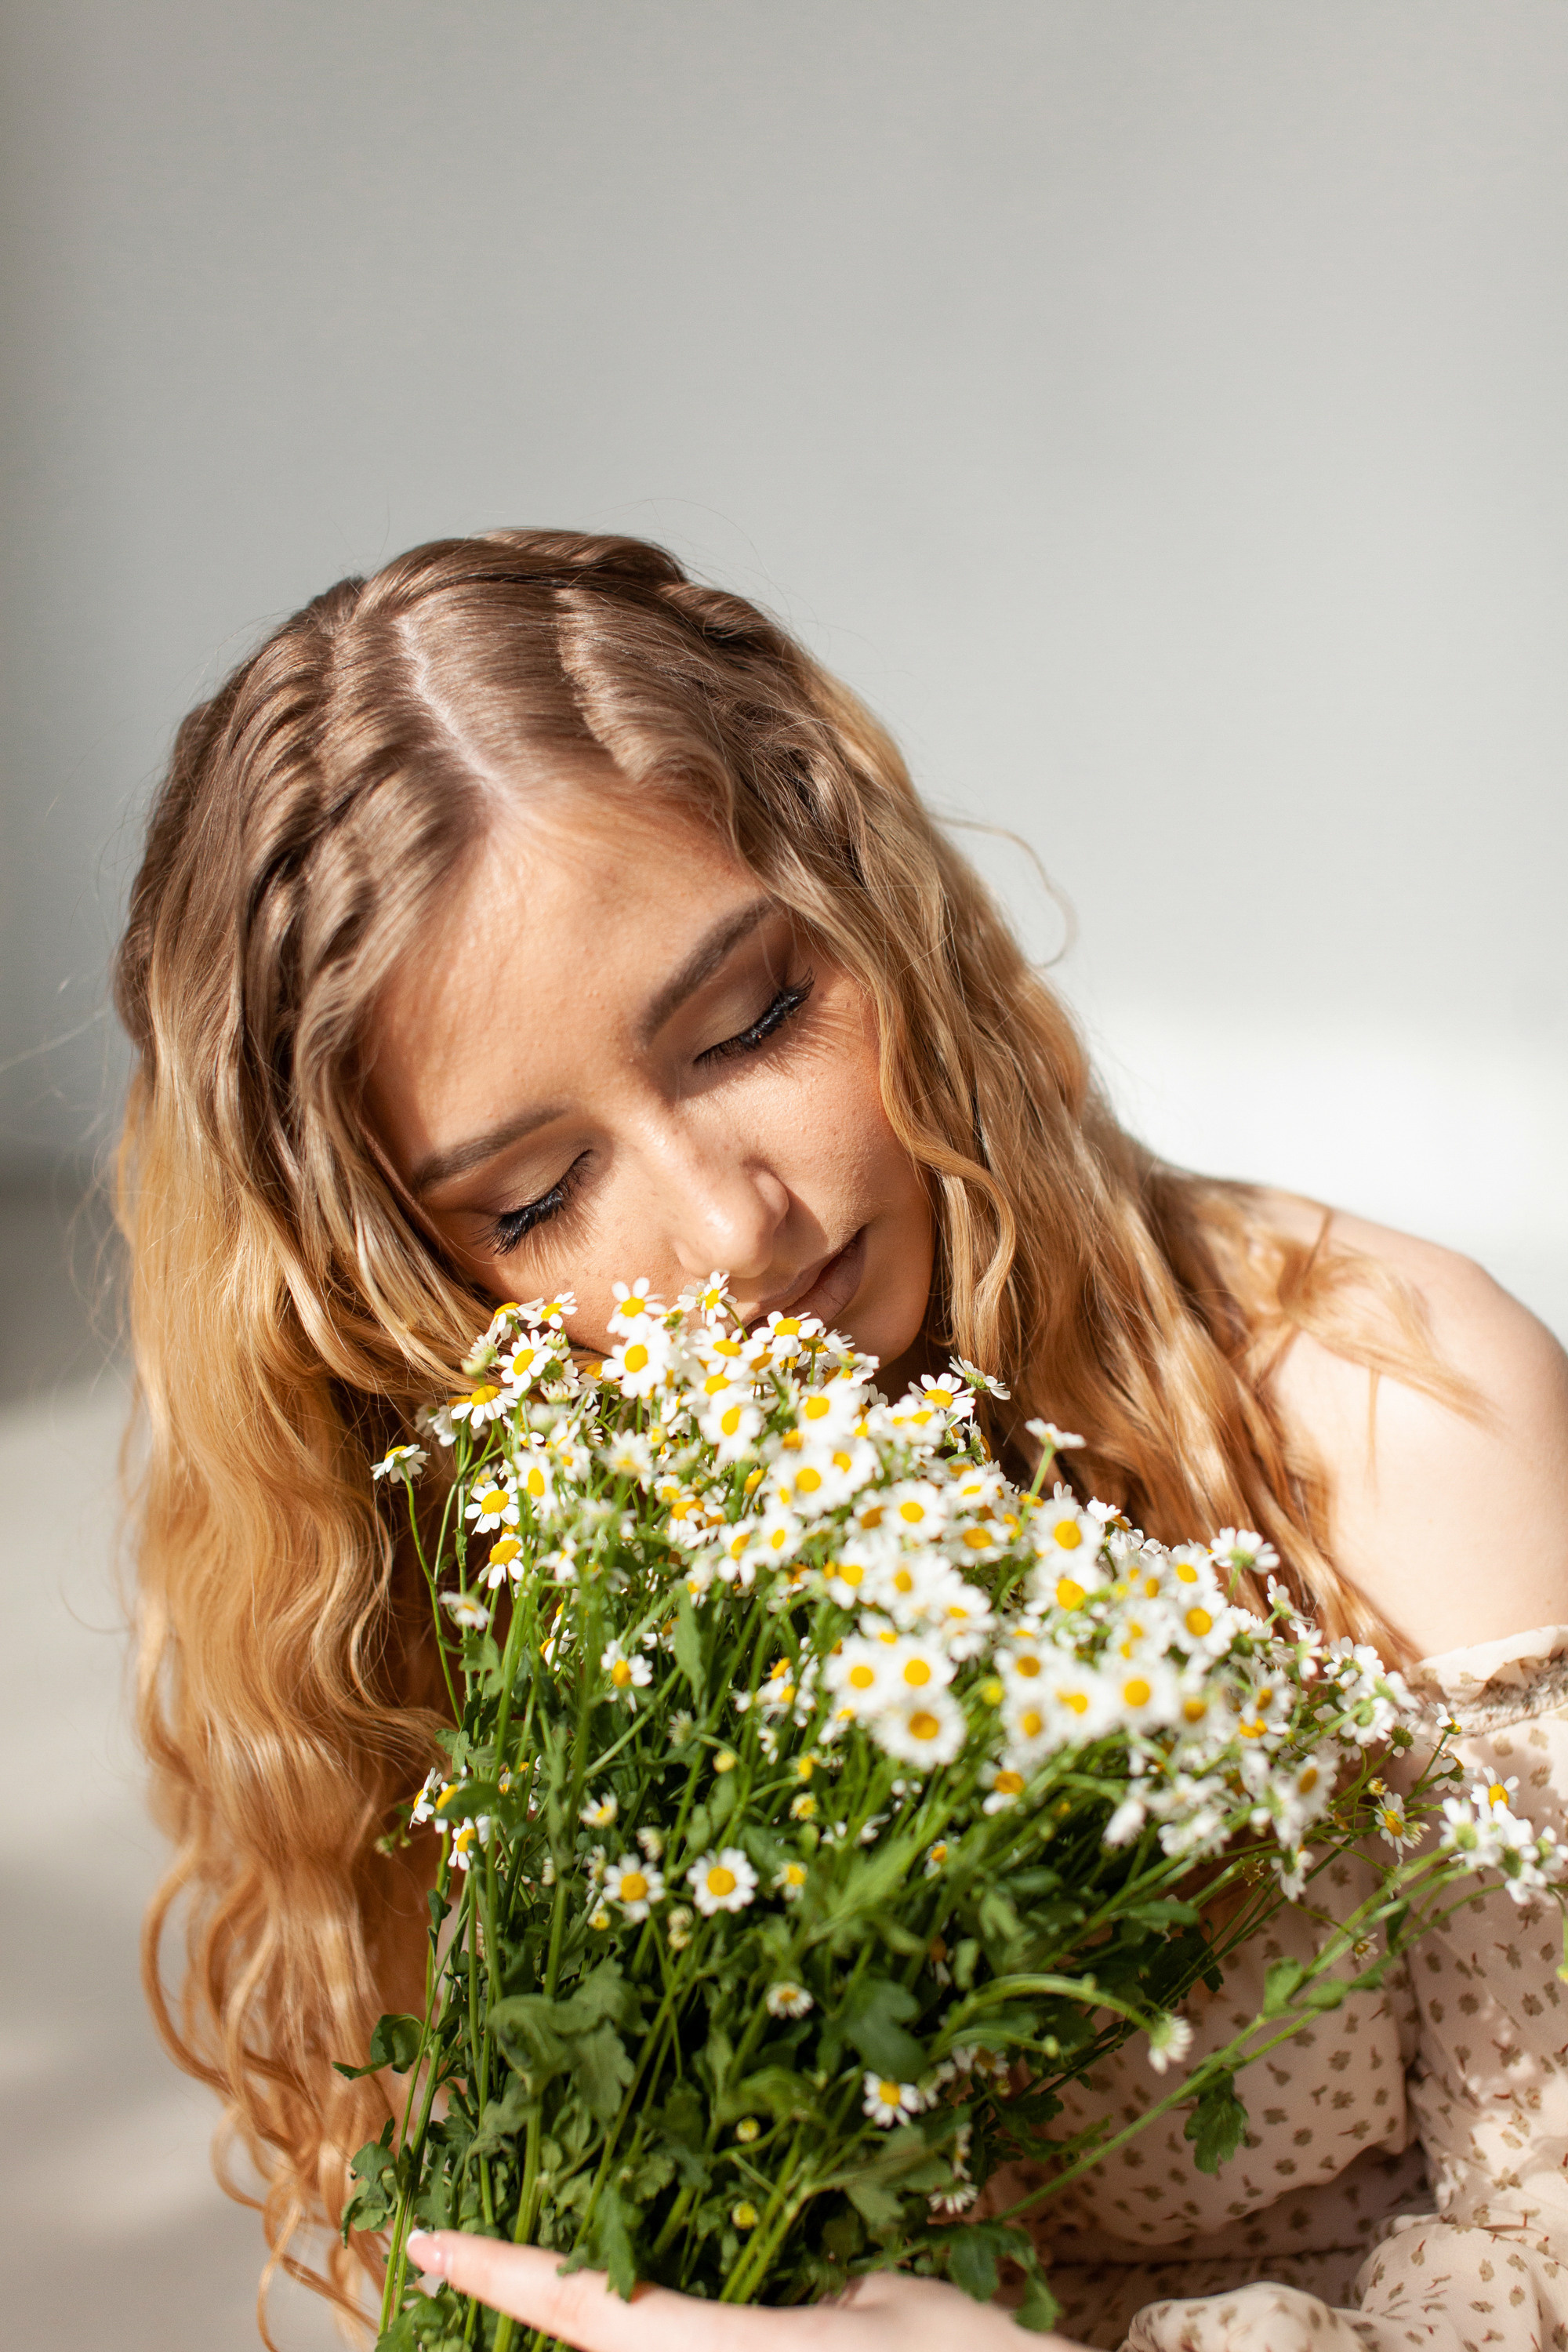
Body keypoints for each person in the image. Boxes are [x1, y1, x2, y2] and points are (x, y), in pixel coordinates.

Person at [114, 528, 1568, 2350]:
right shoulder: (517, 1624)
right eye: (540, 1193)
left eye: (753, 1023)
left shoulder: (1388, 1412)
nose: (731, 1228)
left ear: (886, 924)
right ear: (390, 1292)